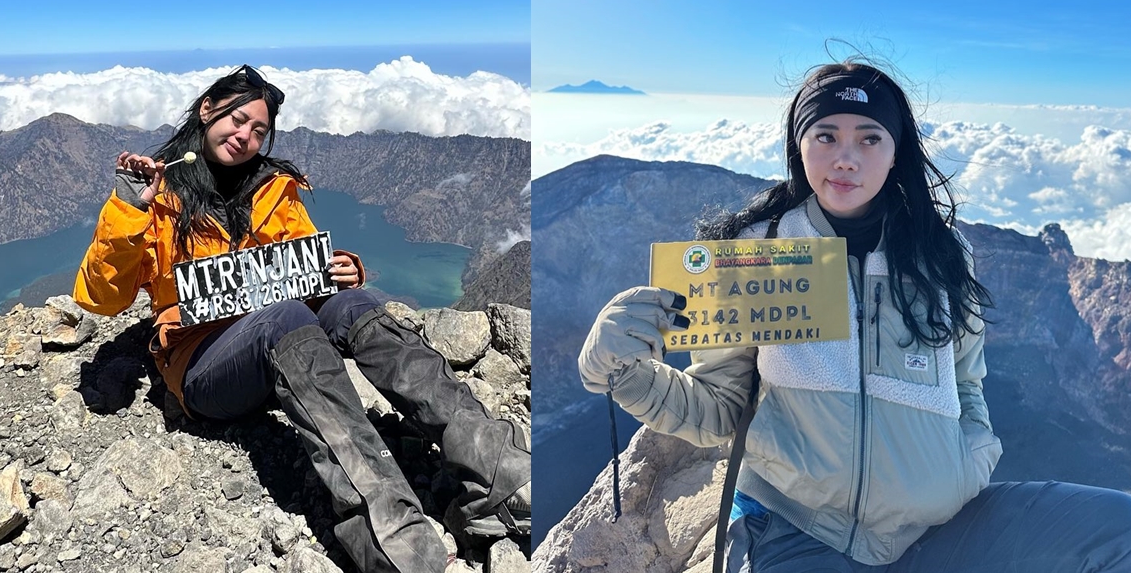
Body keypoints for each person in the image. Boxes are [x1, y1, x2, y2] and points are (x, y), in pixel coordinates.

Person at [578, 61, 1131, 572]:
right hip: (801, 532)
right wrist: (620, 370)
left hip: (943, 526)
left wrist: (969, 461)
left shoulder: (942, 250)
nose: (847, 157)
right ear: (800, 147)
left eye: (870, 138)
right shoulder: (756, 252)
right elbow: (720, 410)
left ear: (896, 153)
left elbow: (966, 380)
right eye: (826, 136)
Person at [73, 65, 530, 573]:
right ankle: (396, 544)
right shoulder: (156, 192)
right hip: (203, 367)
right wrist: (127, 208)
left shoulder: (273, 189)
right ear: (207, 110)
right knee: (286, 318)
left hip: (286, 349)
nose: (245, 136)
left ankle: (503, 475)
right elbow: (100, 298)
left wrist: (342, 270)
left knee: (355, 306)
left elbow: (303, 270)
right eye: (237, 120)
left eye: (259, 131)